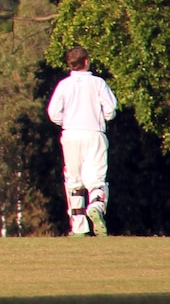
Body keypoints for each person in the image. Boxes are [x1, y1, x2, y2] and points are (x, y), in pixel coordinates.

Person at [47, 45, 117, 237]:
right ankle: (95, 205)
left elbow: (53, 113)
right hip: (94, 133)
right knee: (96, 178)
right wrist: (100, 117)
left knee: (73, 180)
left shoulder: (64, 85)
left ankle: (78, 227)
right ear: (86, 61)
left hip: (70, 134)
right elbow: (110, 110)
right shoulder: (98, 83)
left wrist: (69, 121)